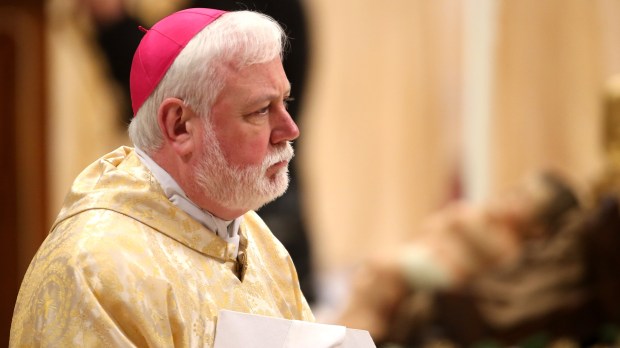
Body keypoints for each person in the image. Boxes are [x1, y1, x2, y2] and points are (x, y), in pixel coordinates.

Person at [10, 8, 314, 347]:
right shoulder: (96, 269)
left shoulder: (261, 244)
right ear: (179, 126)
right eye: (260, 109)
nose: (290, 129)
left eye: (285, 101)